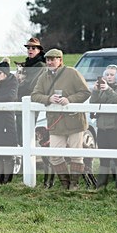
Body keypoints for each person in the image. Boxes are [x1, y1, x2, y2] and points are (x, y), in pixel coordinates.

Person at [31, 49, 92, 190]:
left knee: (76, 155)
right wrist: (48, 99)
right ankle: (65, 184)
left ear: (60, 60)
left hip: (74, 121)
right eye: (48, 60)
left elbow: (85, 92)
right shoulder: (43, 77)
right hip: (55, 123)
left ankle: (74, 185)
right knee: (55, 156)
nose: (50, 62)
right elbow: (35, 95)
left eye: (53, 59)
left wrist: (69, 100)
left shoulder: (72, 73)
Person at [90, 65, 117, 189]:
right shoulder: (101, 88)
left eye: (112, 75)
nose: (109, 77)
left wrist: (107, 89)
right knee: (103, 158)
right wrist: (96, 90)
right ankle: (101, 186)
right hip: (102, 128)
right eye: (107, 74)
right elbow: (92, 103)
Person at [16, 37, 47, 144]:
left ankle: (27, 158)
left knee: (26, 133)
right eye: (28, 48)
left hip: (30, 100)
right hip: (21, 100)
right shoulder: (29, 63)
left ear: (39, 50)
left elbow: (30, 85)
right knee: (20, 132)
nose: (30, 50)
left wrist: (18, 83)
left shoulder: (40, 65)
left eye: (33, 48)